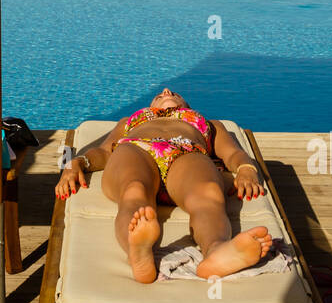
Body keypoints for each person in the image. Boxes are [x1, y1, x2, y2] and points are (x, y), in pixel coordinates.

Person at [55, 89, 274, 283]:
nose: (166, 90)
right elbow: (104, 152)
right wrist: (77, 162)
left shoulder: (209, 124)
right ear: (150, 107)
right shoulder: (129, 121)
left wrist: (246, 168)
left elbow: (231, 152)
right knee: (133, 190)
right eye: (159, 95)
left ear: (187, 105)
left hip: (186, 152)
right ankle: (138, 253)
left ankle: (217, 250)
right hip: (136, 149)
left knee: (209, 194)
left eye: (175, 93)